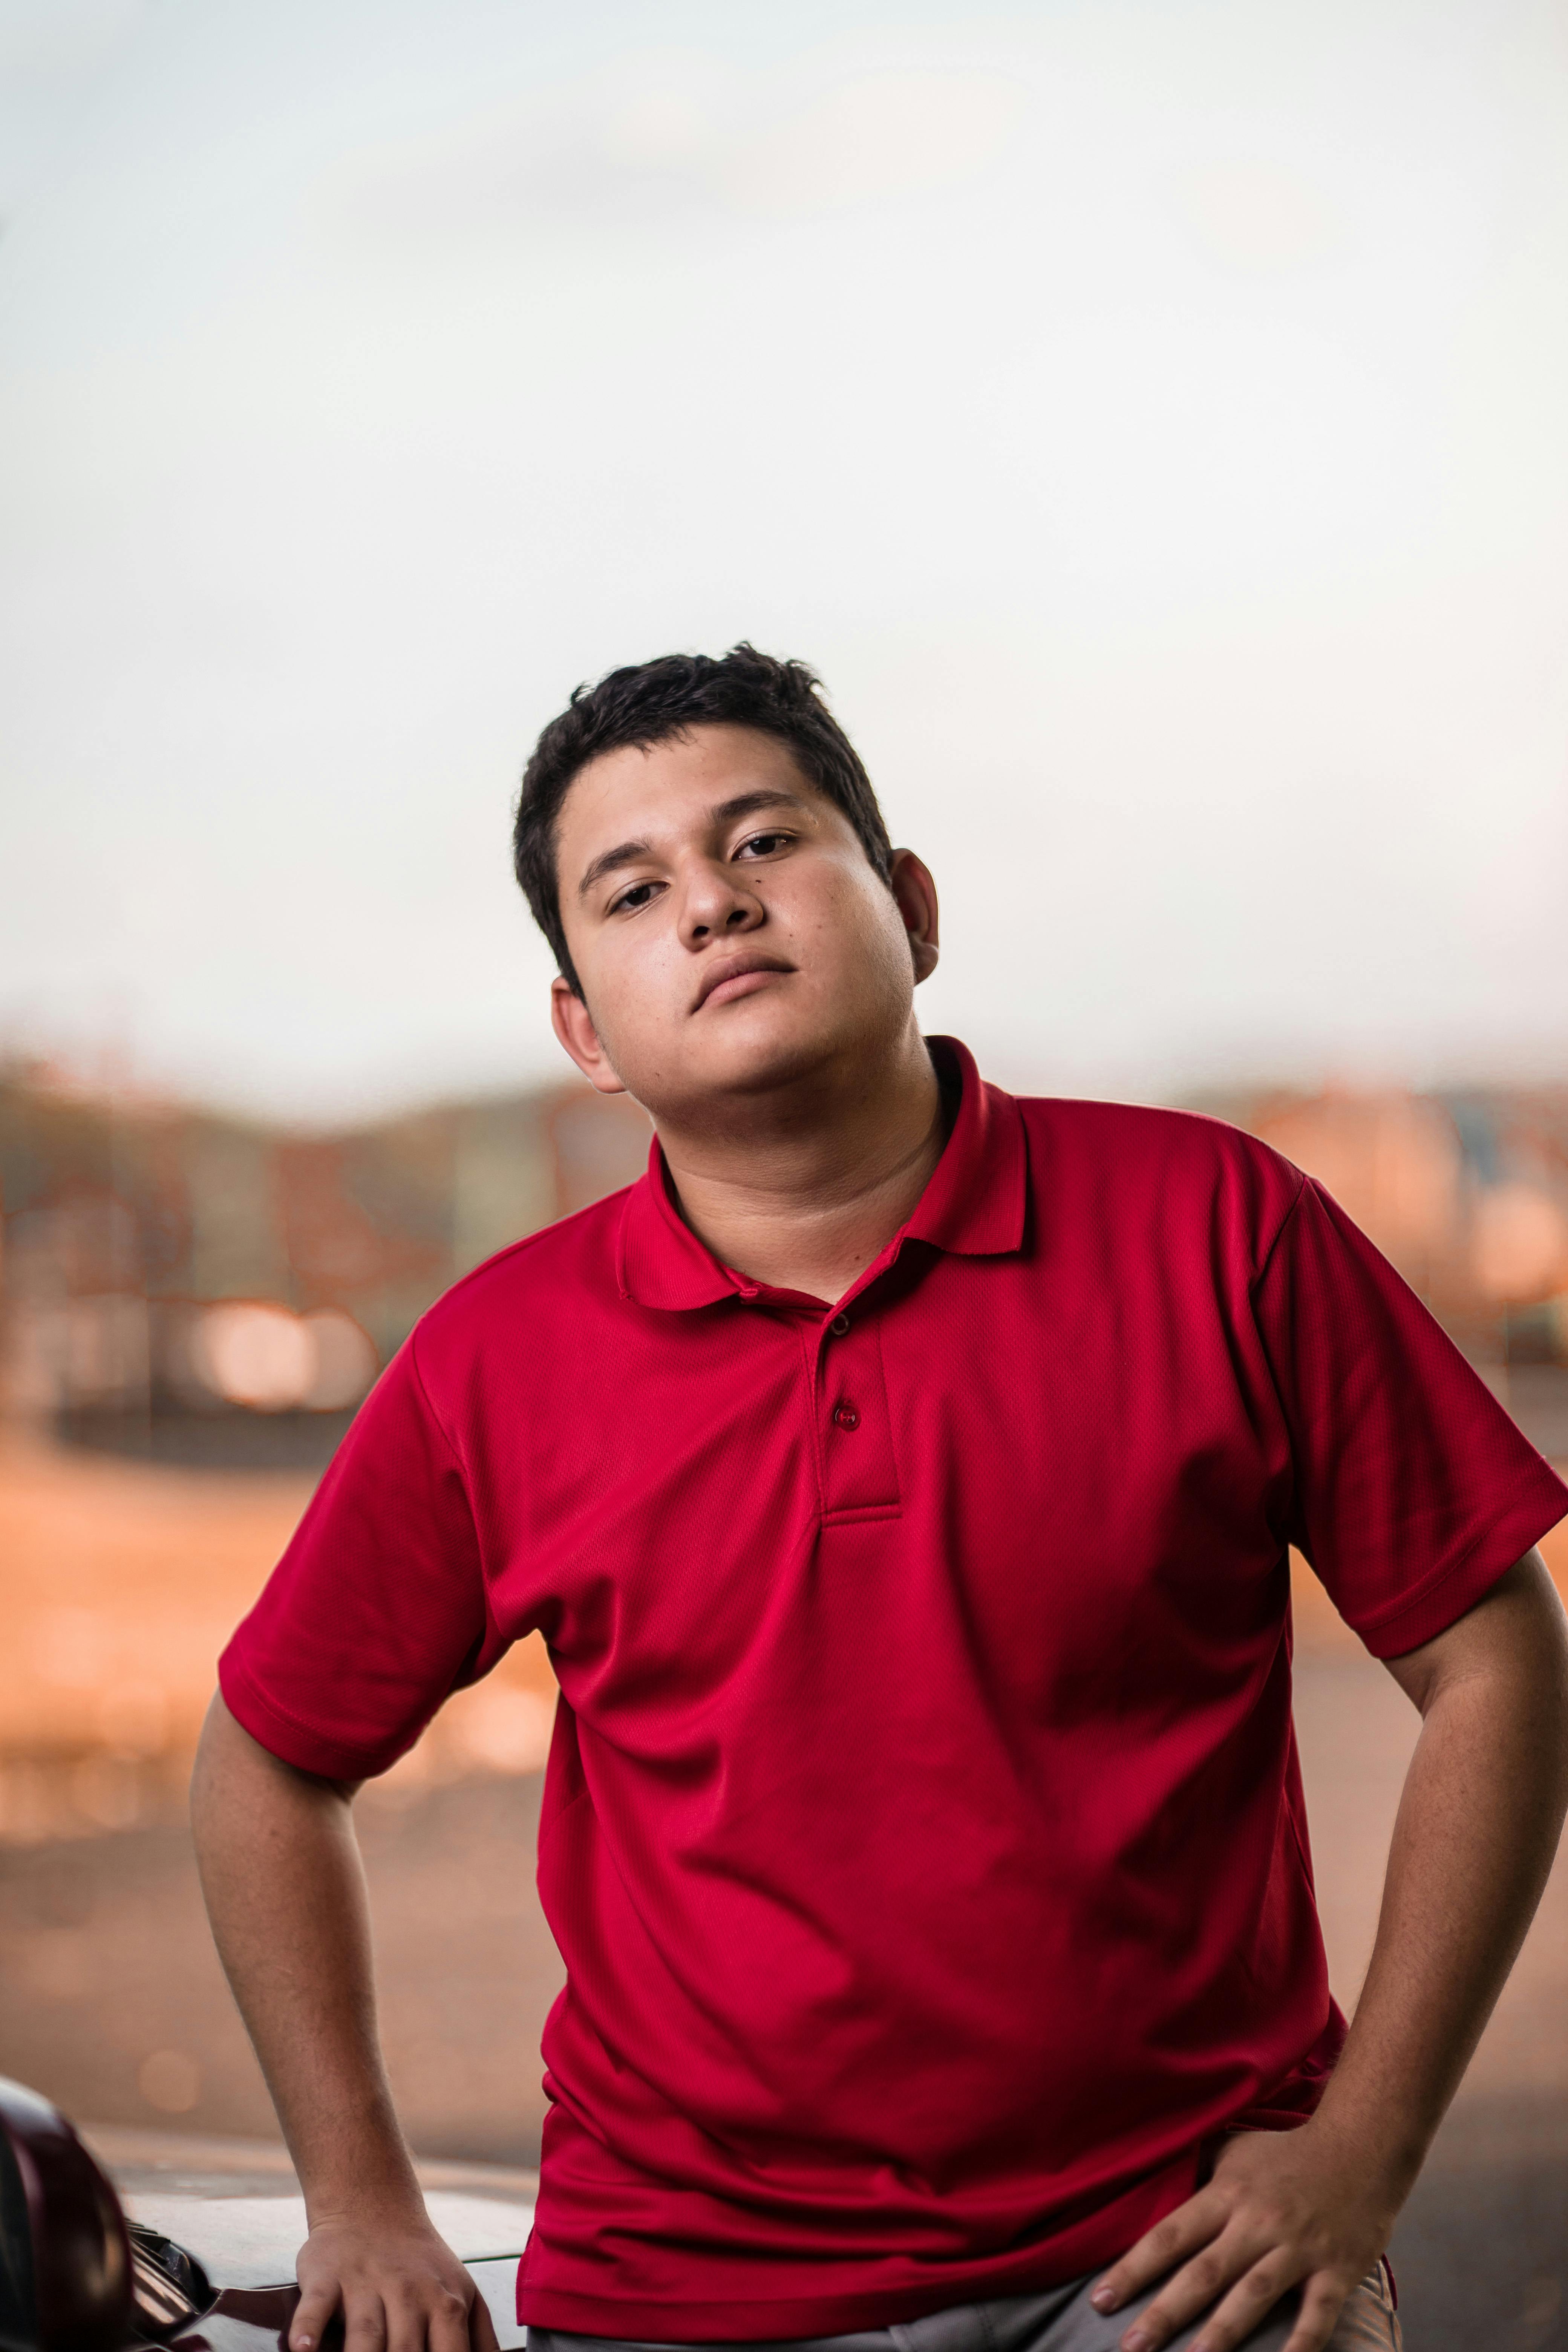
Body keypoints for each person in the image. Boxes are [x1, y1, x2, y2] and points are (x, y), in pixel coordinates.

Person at [192, 647, 1568, 2352]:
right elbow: (268, 1758)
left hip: (1185, 2259)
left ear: (910, 907)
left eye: (763, 843)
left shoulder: (1219, 1224)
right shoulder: (496, 1359)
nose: (707, 906)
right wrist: (359, 2199)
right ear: (582, 1033)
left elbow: (1494, 1658)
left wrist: (1362, 2150)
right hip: (686, 2291)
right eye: (631, 892)